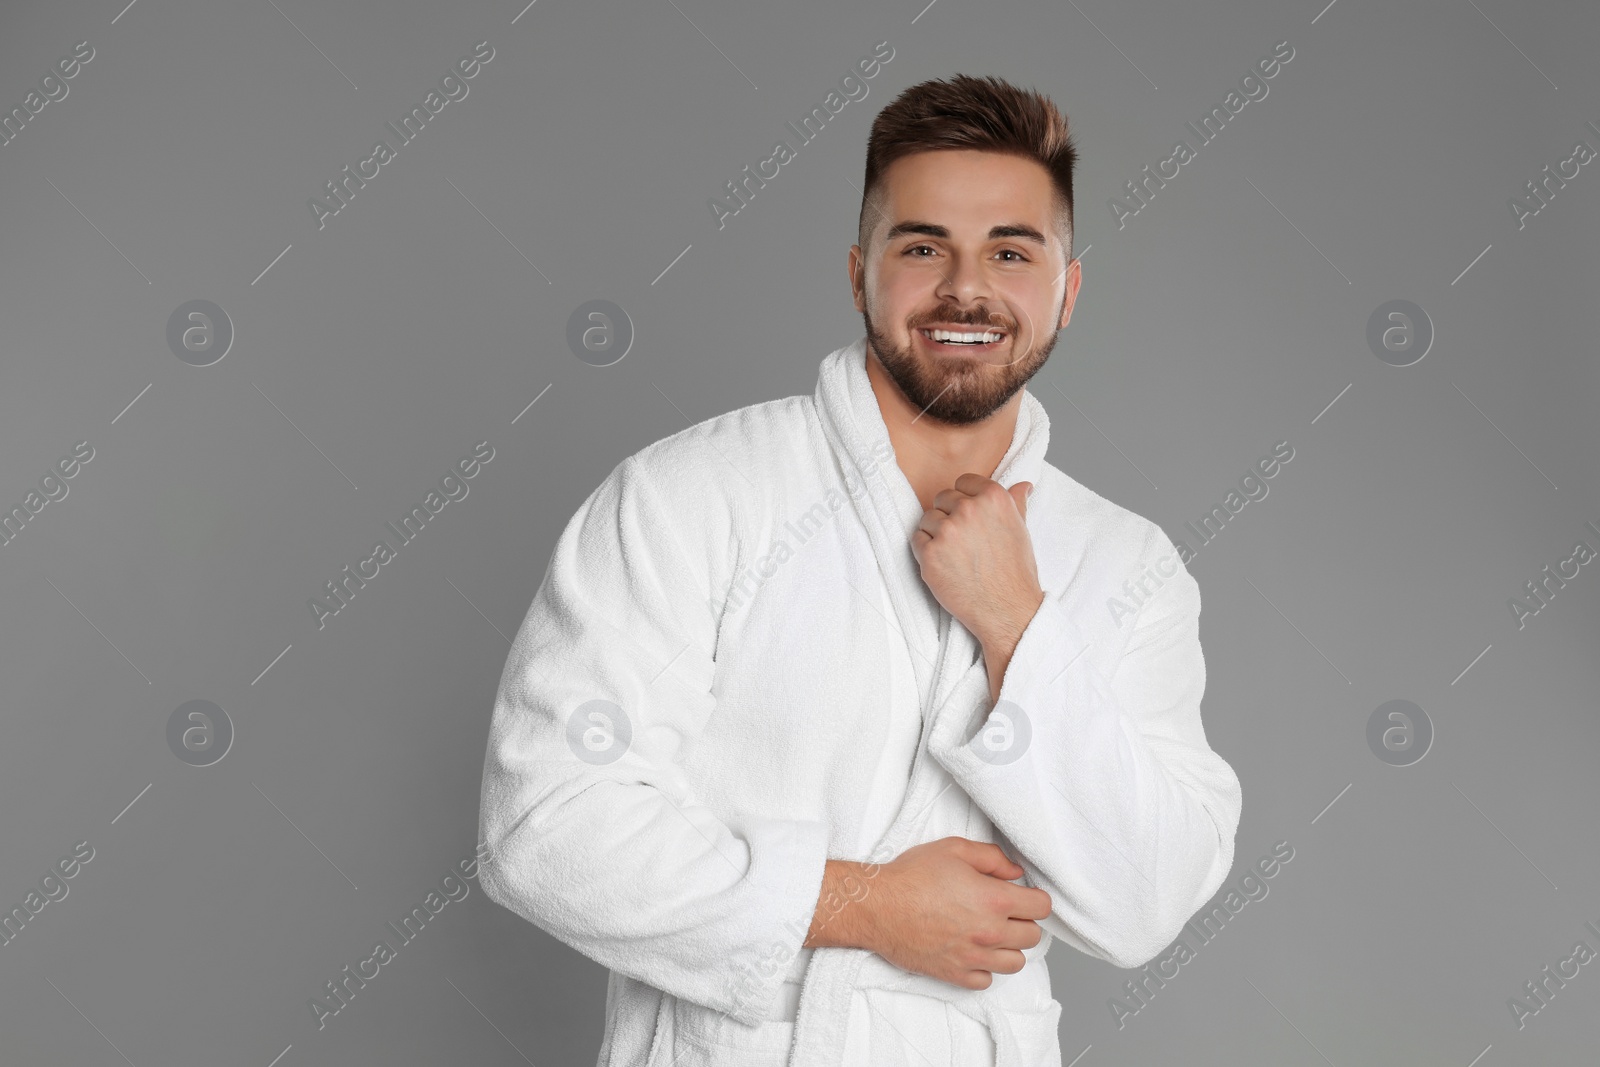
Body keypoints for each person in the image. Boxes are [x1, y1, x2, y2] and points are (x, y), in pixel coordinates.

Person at [477, 73, 1243, 1067]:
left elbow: (1148, 896)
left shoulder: (1126, 563)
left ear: (1067, 288)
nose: (966, 288)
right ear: (858, 274)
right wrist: (863, 904)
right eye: (921, 247)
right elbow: (543, 825)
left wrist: (1016, 624)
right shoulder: (689, 495)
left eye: (1011, 251)